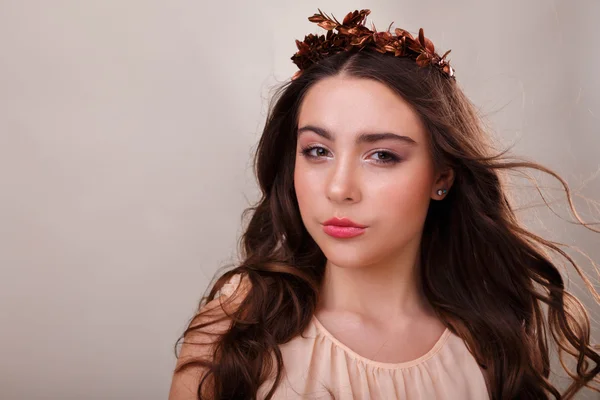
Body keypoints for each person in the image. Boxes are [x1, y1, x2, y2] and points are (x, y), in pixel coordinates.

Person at [168, 8, 600, 400]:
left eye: (382, 155)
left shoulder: (495, 345)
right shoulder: (234, 332)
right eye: (317, 151)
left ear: (441, 178)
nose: (340, 189)